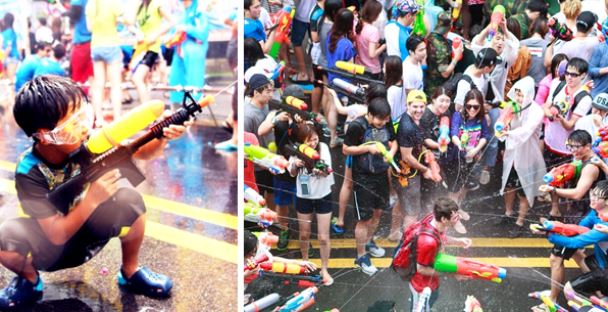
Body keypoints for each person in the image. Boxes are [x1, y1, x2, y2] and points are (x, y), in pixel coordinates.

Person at [0, 76, 186, 308]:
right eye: (72, 124)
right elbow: (56, 235)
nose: (84, 127)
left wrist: (161, 137)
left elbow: (139, 152)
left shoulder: (90, 141)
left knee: (130, 201)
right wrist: (92, 199)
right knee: (6, 236)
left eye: (84, 116)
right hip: (48, 247)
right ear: (46, 135)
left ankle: (130, 271)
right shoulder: (29, 171)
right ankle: (30, 281)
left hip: (88, 232)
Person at [537, 130, 604, 306]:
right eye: (570, 146)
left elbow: (578, 193)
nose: (572, 150)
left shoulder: (590, 167)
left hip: (584, 215)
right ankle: (602, 294)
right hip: (581, 215)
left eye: (576, 147)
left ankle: (552, 300)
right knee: (578, 255)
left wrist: (553, 191)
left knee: (556, 258)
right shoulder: (583, 160)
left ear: (588, 146)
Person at [343, 98, 397, 275]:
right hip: (363, 177)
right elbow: (346, 149)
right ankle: (361, 256)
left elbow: (394, 141)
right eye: (379, 120)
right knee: (364, 219)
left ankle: (369, 241)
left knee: (378, 213)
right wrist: (367, 148)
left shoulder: (386, 123)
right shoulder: (357, 126)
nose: (383, 123)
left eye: (386, 120)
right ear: (370, 115)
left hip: (381, 174)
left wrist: (390, 153)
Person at [543, 58, 593, 219]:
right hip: (550, 143)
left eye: (574, 75)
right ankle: (554, 208)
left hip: (568, 150)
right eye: (567, 73)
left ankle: (568, 213)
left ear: (583, 76)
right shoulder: (557, 84)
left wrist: (561, 118)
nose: (569, 77)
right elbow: (545, 105)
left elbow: (570, 125)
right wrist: (551, 113)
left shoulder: (584, 98)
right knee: (552, 177)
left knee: (569, 181)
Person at [497, 77, 546, 237]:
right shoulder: (512, 107)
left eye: (521, 95)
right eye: (516, 94)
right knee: (509, 185)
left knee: (524, 189)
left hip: (528, 155)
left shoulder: (536, 111)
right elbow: (501, 122)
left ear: (529, 94)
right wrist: (501, 128)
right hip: (512, 153)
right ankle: (508, 213)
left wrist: (508, 133)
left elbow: (526, 130)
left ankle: (520, 221)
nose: (518, 98)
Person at [391, 90, 443, 241]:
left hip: (408, 171)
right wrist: (425, 169)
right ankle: (409, 243)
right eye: (415, 107)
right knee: (412, 212)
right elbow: (407, 157)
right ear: (407, 105)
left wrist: (432, 152)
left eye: (422, 107)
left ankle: (394, 232)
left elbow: (422, 140)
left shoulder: (417, 120)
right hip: (407, 174)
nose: (419, 110)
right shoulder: (407, 126)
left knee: (402, 203)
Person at [288, 123, 335, 286]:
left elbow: (328, 171)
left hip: (323, 196)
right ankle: (305, 263)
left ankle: (324, 268)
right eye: (309, 141)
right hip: (304, 197)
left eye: (315, 139)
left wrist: (319, 171)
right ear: (302, 141)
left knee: (323, 236)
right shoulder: (295, 150)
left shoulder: (323, 148)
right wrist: (295, 164)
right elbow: (292, 173)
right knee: (304, 234)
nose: (313, 143)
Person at [545, 181, 608, 299]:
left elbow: (574, 243)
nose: (592, 198)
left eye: (596, 196)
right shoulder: (596, 212)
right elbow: (581, 227)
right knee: (581, 258)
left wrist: (550, 236)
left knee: (569, 290)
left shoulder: (605, 225)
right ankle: (603, 295)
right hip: (601, 264)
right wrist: (557, 227)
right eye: (592, 194)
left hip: (605, 272)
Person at [407, 197, 472, 311]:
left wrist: (458, 241)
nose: (459, 218)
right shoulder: (428, 242)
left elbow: (440, 237)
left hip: (432, 281)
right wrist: (452, 274)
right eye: (455, 217)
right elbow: (421, 269)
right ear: (444, 219)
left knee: (432, 299)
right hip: (422, 288)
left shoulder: (435, 220)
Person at [86, 0, 127, 121]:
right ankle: (117, 117)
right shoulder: (113, 2)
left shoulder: (91, 4)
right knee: (115, 85)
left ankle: (98, 118)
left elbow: (89, 28)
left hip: (96, 46)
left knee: (99, 84)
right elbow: (125, 20)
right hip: (111, 44)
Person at [448, 89, 489, 205]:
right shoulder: (458, 116)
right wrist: (460, 145)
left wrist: (476, 150)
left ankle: (458, 208)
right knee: (455, 187)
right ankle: (451, 213)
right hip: (457, 157)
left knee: (465, 185)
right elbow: (454, 133)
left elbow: (485, 135)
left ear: (480, 107)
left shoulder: (481, 119)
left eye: (475, 107)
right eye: (469, 106)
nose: (472, 109)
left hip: (472, 157)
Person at [131, 0, 174, 104]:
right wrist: (136, 32)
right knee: (144, 80)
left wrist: (156, 35)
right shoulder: (140, 6)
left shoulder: (157, 4)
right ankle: (148, 112)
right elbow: (130, 24)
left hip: (152, 48)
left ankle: (146, 110)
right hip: (140, 47)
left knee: (137, 78)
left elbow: (171, 21)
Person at [168, 0, 210, 108]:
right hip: (179, 49)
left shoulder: (199, 10)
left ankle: (193, 109)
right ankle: (176, 109)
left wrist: (186, 28)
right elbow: (173, 29)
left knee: (194, 82)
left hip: (194, 51)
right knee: (175, 79)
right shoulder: (179, 9)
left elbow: (202, 33)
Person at [424, 12, 463, 96]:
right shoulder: (441, 47)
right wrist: (456, 57)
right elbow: (445, 73)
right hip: (437, 89)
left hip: (428, 80)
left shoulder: (431, 36)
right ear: (450, 26)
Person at [354, 0, 386, 79]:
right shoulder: (373, 30)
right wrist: (384, 46)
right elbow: (371, 54)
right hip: (371, 69)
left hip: (359, 66)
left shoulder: (358, 24)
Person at [325, 8, 356, 83]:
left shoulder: (329, 35)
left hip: (331, 78)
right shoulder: (347, 45)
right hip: (343, 84)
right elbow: (351, 71)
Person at [69, 0, 94, 88]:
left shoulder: (77, 2)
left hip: (82, 41)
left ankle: (78, 100)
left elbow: (74, 11)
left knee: (77, 79)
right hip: (96, 41)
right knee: (94, 77)